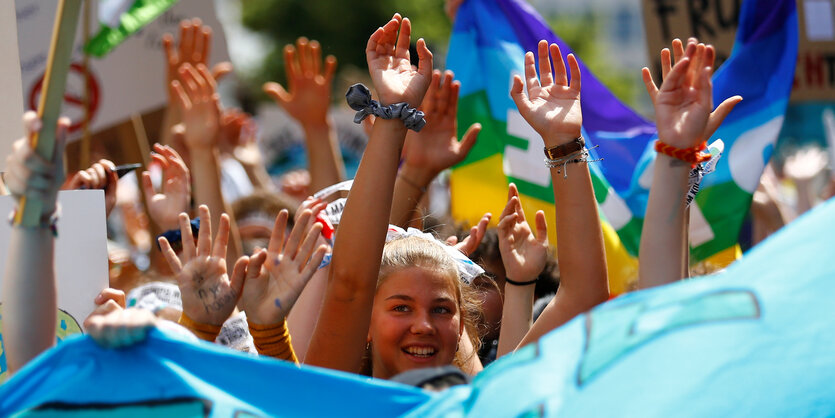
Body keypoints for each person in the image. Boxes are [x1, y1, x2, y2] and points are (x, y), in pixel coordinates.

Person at [304, 15, 609, 380]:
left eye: (441, 310)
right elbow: (350, 283)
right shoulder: (337, 398)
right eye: (401, 308)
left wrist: (564, 145)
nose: (423, 325)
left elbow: (583, 294)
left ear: (464, 324)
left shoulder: (483, 403)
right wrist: (392, 116)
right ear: (364, 323)